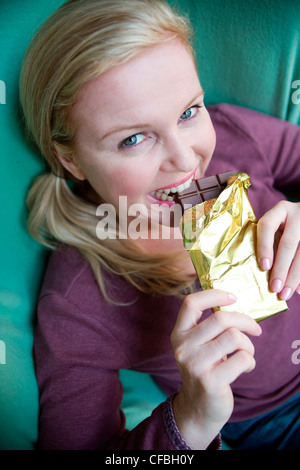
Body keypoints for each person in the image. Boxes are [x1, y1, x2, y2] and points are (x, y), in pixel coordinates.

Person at [19, 0, 300, 450]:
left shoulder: (230, 136)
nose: (187, 160)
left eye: (189, 112)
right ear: (70, 159)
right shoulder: (80, 303)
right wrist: (189, 419)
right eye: (133, 139)